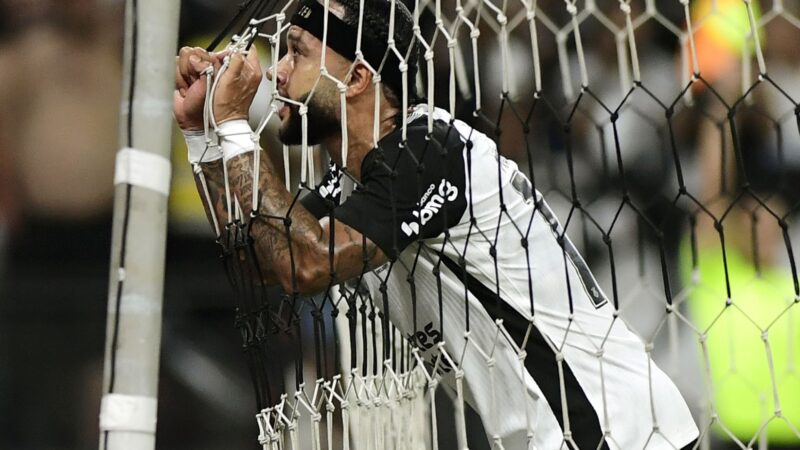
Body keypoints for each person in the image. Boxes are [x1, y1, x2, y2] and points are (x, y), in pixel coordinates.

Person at [173, 0, 700, 448]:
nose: (275, 73)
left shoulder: (427, 150)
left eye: (296, 52)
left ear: (356, 76)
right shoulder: (356, 186)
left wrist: (235, 127)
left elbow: (303, 264)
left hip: (613, 431)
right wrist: (204, 134)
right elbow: (257, 259)